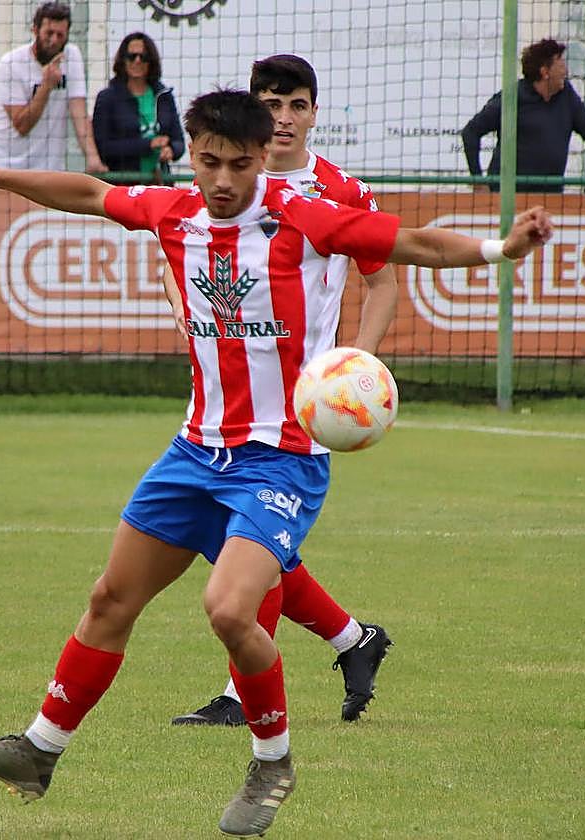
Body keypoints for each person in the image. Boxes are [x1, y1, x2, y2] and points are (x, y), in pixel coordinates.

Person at [0, 89, 551, 837]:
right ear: (193, 152)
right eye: (209, 161)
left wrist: (499, 251)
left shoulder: (301, 214)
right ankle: (37, 752)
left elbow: (409, 242)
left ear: (264, 158)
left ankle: (271, 762)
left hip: (281, 459)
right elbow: (89, 193)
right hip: (195, 450)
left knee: (227, 608)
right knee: (108, 601)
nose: (222, 180)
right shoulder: (173, 212)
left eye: (240, 164)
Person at [168, 54, 398, 729]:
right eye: (272, 104)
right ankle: (355, 639)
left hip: (304, 405)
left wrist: (353, 373)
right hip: (227, 392)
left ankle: (244, 697)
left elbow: (382, 280)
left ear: (314, 112)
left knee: (250, 537)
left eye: (296, 104)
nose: (284, 117)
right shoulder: (231, 181)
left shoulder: (342, 192)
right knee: (244, 539)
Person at [461, 38, 585, 193]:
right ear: (545, 72)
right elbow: (471, 132)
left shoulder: (567, 96)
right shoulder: (512, 98)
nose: (566, 71)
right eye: (561, 65)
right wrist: (478, 181)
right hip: (508, 196)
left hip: (551, 197)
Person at [0, 2, 104, 172]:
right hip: (2, 161)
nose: (54, 41)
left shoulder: (72, 56)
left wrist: (92, 158)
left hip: (47, 166)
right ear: (35, 30)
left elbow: (79, 113)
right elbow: (22, 126)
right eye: (49, 33)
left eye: (60, 35)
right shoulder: (11, 63)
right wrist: (46, 86)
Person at [92, 32, 184, 181]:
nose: (137, 61)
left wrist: (171, 150)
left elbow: (179, 141)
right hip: (122, 185)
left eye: (144, 57)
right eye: (131, 56)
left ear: (151, 62)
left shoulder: (163, 96)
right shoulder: (107, 98)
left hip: (159, 184)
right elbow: (104, 148)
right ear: (123, 60)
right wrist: (148, 145)